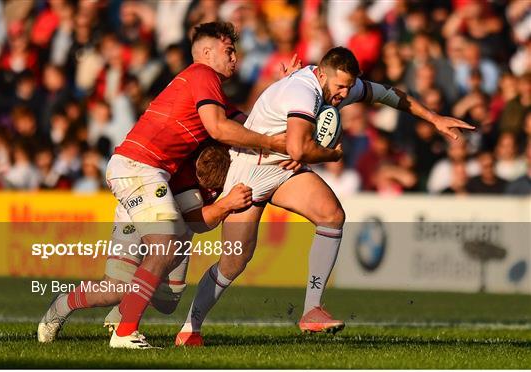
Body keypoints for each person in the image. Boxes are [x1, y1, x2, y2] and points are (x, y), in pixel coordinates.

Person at [175, 46, 475, 346]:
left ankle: (311, 310)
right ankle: (190, 328)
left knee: (332, 215)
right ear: (320, 74)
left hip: (281, 171)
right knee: (234, 262)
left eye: (348, 86)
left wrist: (433, 118)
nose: (344, 93)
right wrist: (332, 154)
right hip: (248, 175)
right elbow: (298, 150)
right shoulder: (303, 92)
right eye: (340, 86)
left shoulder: (336, 85)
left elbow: (388, 94)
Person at [102, 21, 287, 349]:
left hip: (151, 171)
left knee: (167, 270)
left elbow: (244, 122)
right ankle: (124, 328)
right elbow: (220, 129)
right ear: (206, 52)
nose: (235, 58)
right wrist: (274, 144)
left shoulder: (207, 87)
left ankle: (121, 315)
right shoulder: (203, 75)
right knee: (164, 246)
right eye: (228, 50)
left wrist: (281, 89)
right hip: (140, 166)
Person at [37, 149, 253, 343]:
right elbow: (198, 221)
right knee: (115, 289)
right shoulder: (185, 172)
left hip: (178, 227)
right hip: (140, 210)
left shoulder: (234, 159)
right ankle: (62, 305)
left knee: (168, 302)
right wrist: (226, 204)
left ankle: (124, 309)